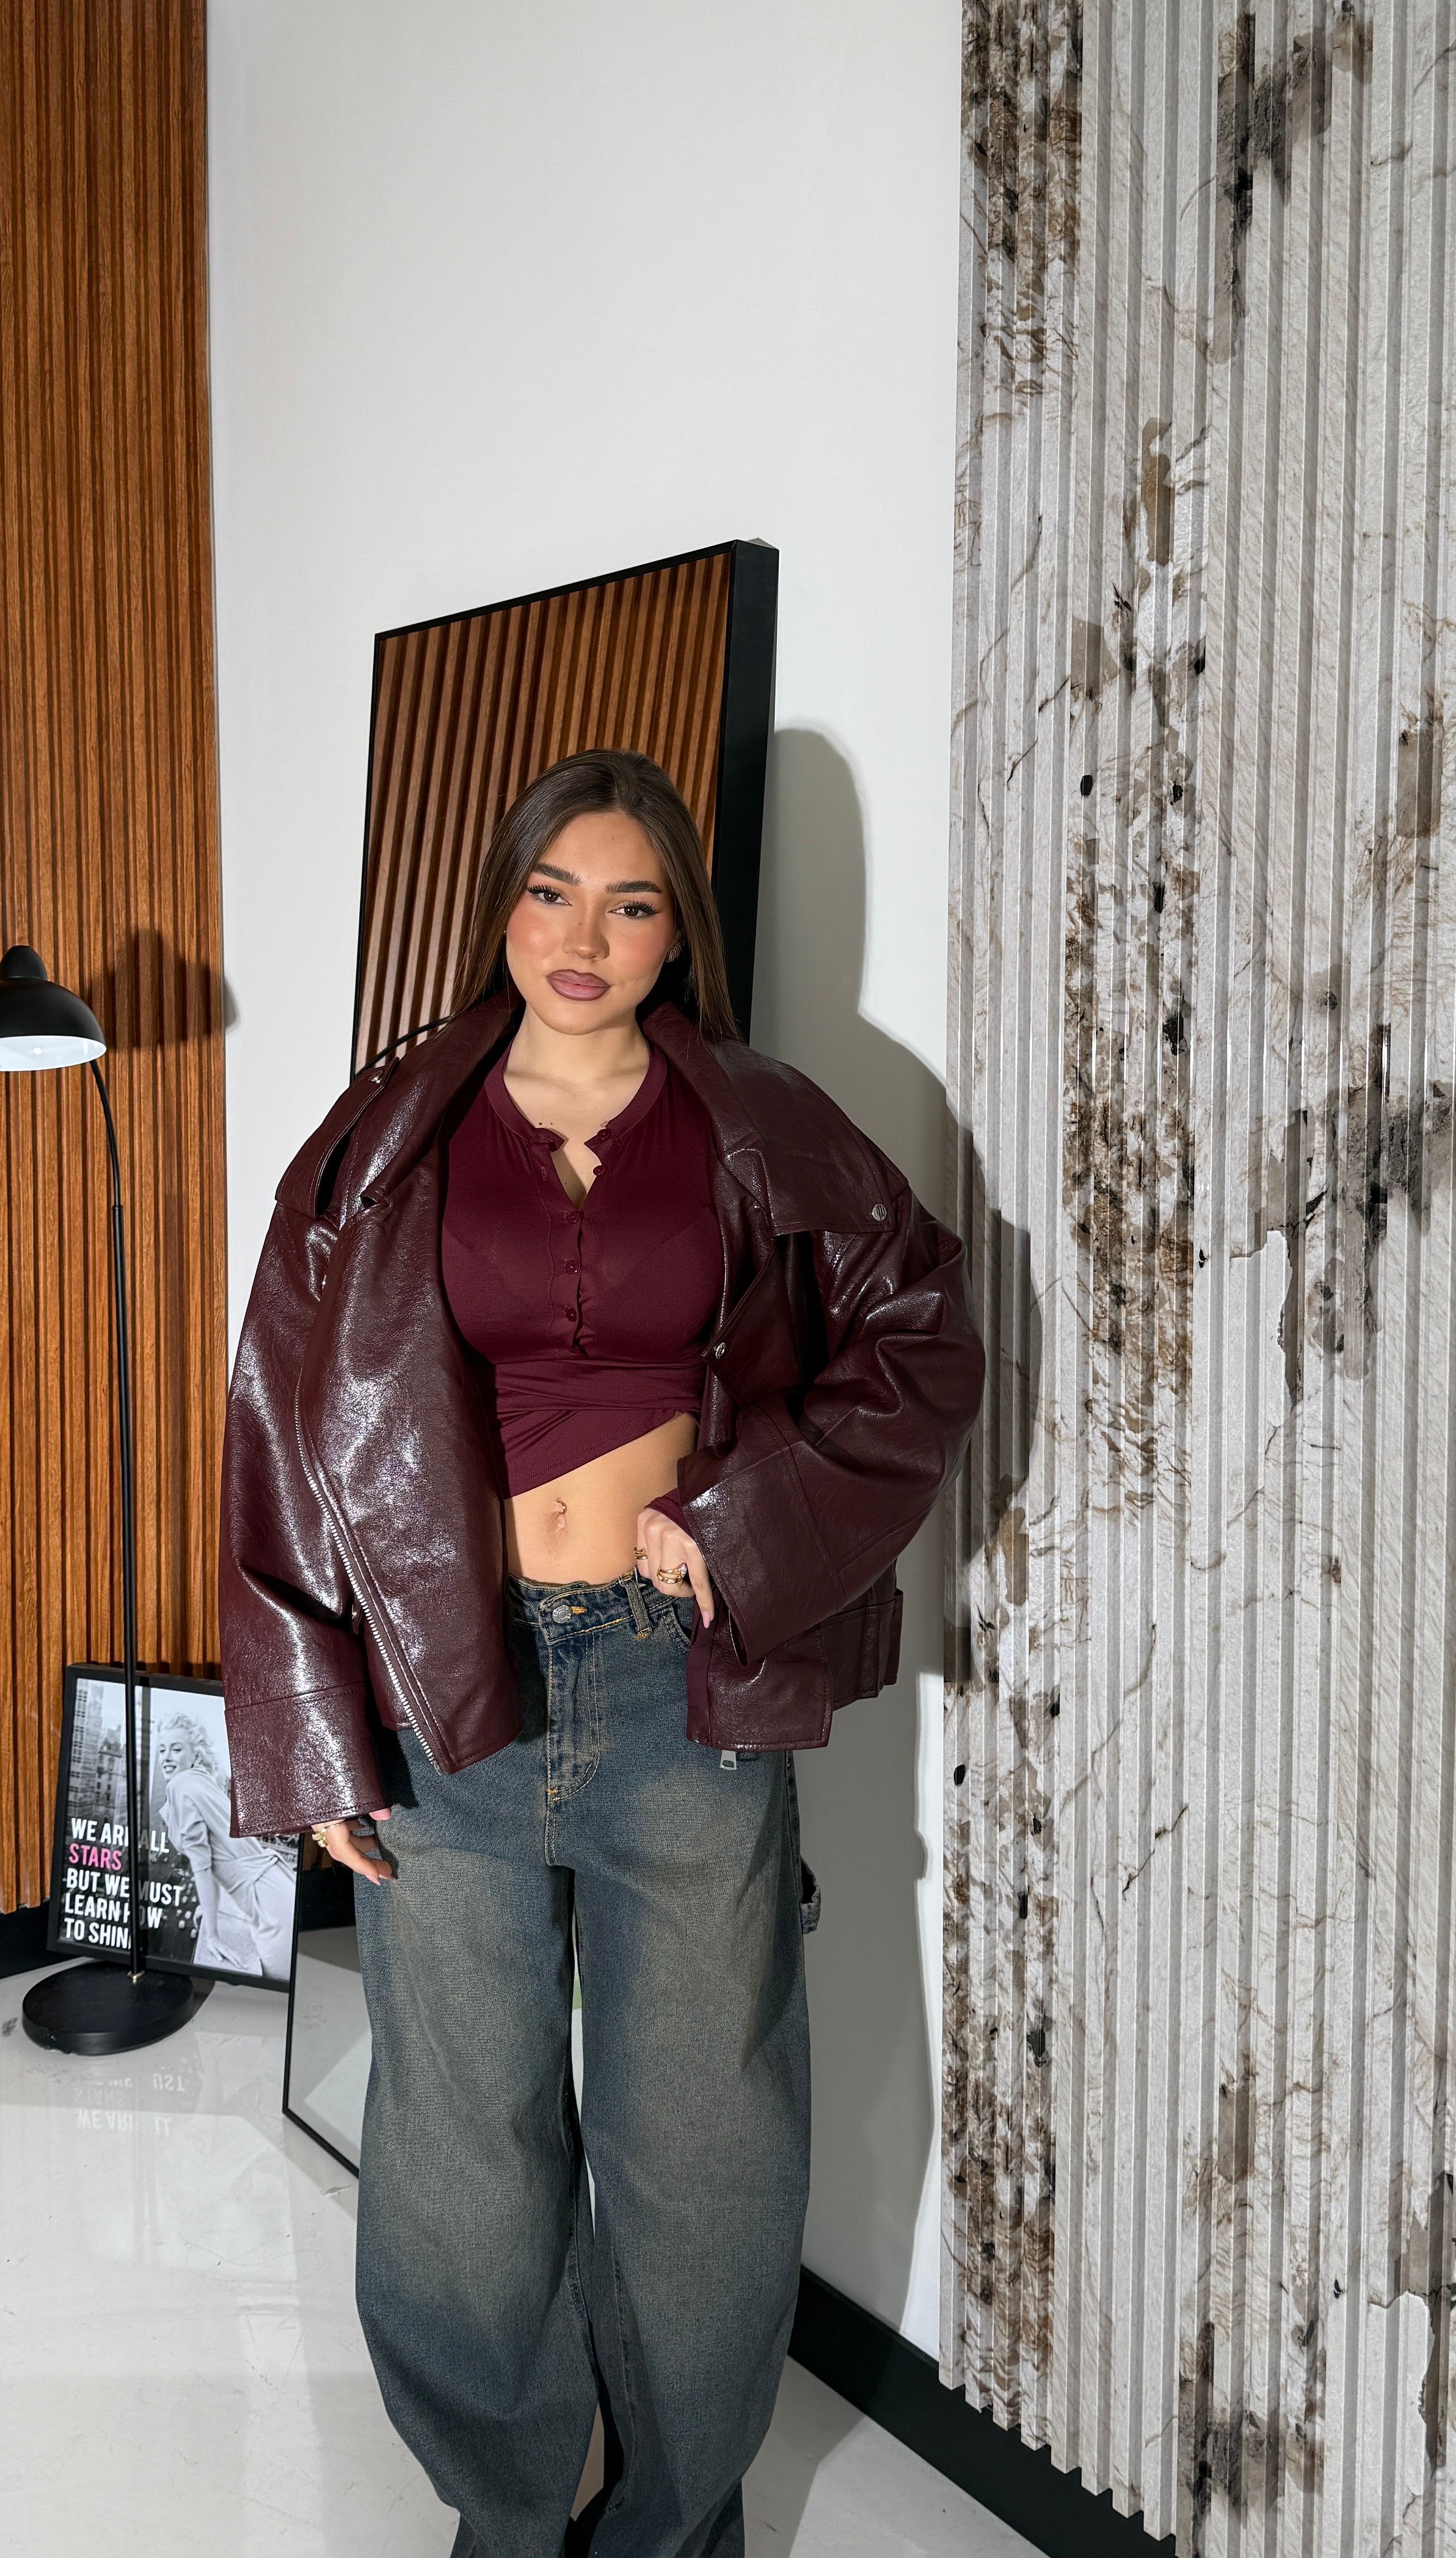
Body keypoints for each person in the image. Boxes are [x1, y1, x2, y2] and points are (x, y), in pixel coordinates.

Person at [220, 748, 983, 2558]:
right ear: (502, 904)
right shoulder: (388, 1130)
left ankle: (670, 2527)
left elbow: (922, 1338)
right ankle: (505, 2513)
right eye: (551, 890)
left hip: (677, 1692)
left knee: (702, 2150)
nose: (582, 935)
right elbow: (284, 1420)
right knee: (456, 2150)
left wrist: (742, 1524)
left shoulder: (760, 1122)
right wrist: (313, 1729)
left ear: (673, 931)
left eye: (629, 902)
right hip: (452, 1687)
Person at [154, 1710, 297, 1979]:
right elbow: (220, 1854)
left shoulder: (181, 1786)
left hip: (269, 1906)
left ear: (195, 1753)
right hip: (275, 1891)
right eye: (162, 1750)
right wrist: (209, 1910)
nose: (167, 1757)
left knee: (269, 1994)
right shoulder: (201, 1780)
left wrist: (213, 1935)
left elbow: (203, 1868)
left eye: (176, 1749)